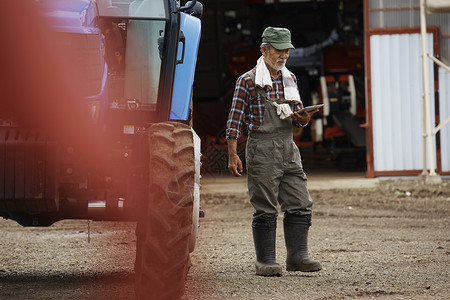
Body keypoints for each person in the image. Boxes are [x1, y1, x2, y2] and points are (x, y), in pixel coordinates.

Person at [226, 26, 322, 276]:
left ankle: (298, 257)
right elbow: (234, 120)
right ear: (264, 50)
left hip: (288, 147)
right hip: (262, 148)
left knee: (300, 201)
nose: (284, 56)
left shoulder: (289, 79)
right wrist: (233, 154)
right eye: (279, 51)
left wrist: (303, 118)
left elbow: (299, 120)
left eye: (287, 51)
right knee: (265, 206)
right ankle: (265, 260)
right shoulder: (247, 81)